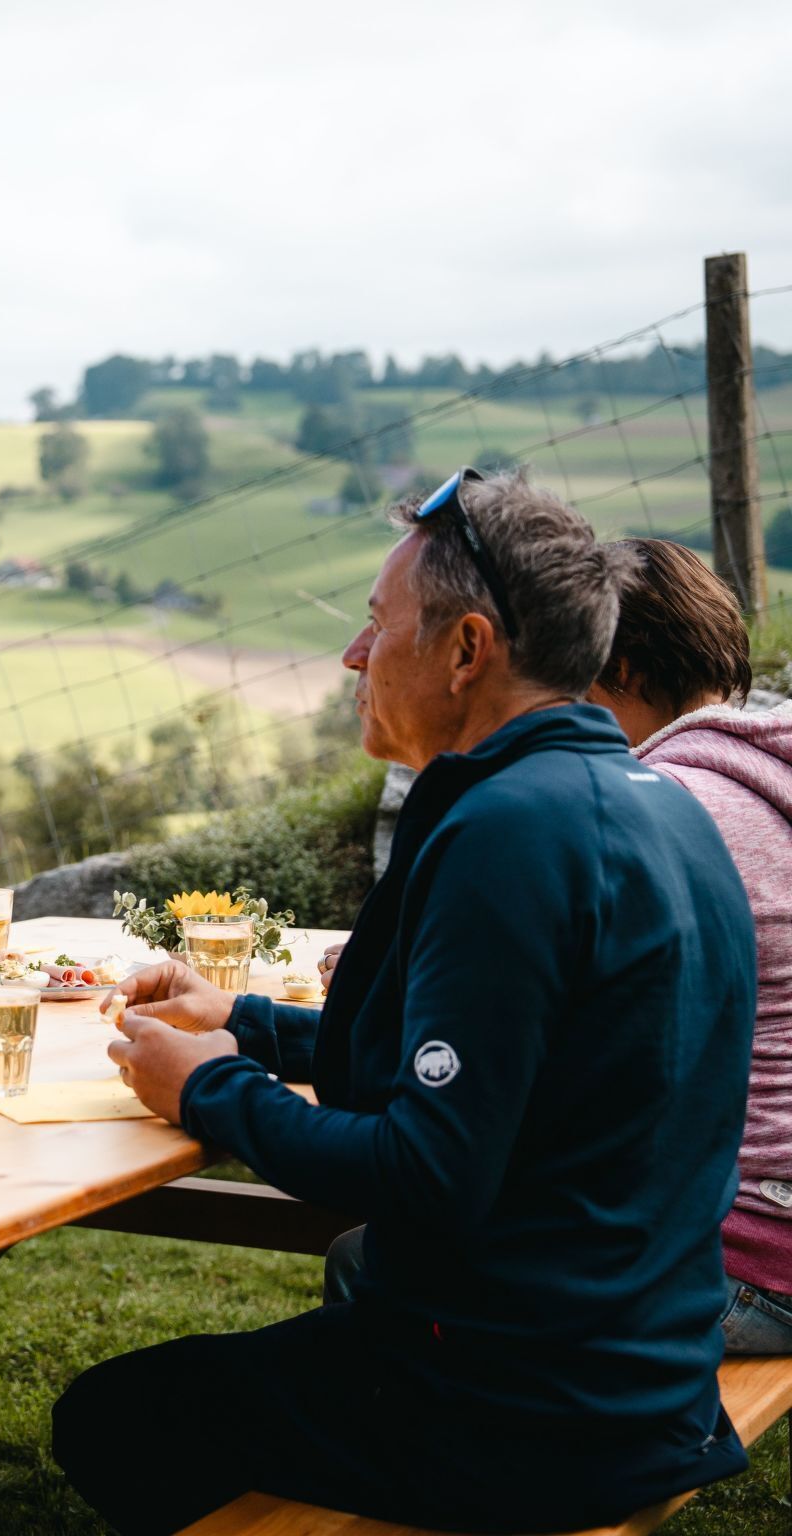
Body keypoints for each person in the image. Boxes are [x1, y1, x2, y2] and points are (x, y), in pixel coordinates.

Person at [54, 473, 759, 1534]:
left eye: (377, 624)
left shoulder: (510, 831)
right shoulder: (655, 804)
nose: (353, 655)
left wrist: (210, 1091)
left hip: (527, 1407)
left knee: (113, 1418)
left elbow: (426, 1174)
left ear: (466, 650)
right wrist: (244, 1022)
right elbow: (508, 1058)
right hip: (646, 1373)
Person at [586, 538, 792, 1353]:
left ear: (622, 668)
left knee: (389, 1259)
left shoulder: (665, 805)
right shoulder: (763, 774)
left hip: (744, 1256)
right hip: (772, 1224)